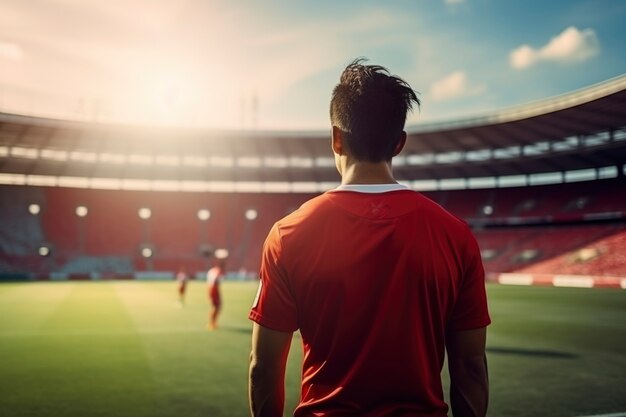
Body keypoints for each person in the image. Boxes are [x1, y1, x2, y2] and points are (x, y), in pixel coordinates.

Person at [248, 58, 490, 417]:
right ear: (399, 143)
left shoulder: (288, 234)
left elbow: (264, 368)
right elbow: (469, 366)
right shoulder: (455, 234)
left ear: (335, 137)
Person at [207, 258, 226, 330]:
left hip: (210, 289)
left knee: (215, 306)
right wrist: (216, 287)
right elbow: (215, 280)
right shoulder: (218, 271)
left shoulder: (212, 270)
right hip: (214, 289)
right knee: (216, 307)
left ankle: (212, 322)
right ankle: (212, 323)